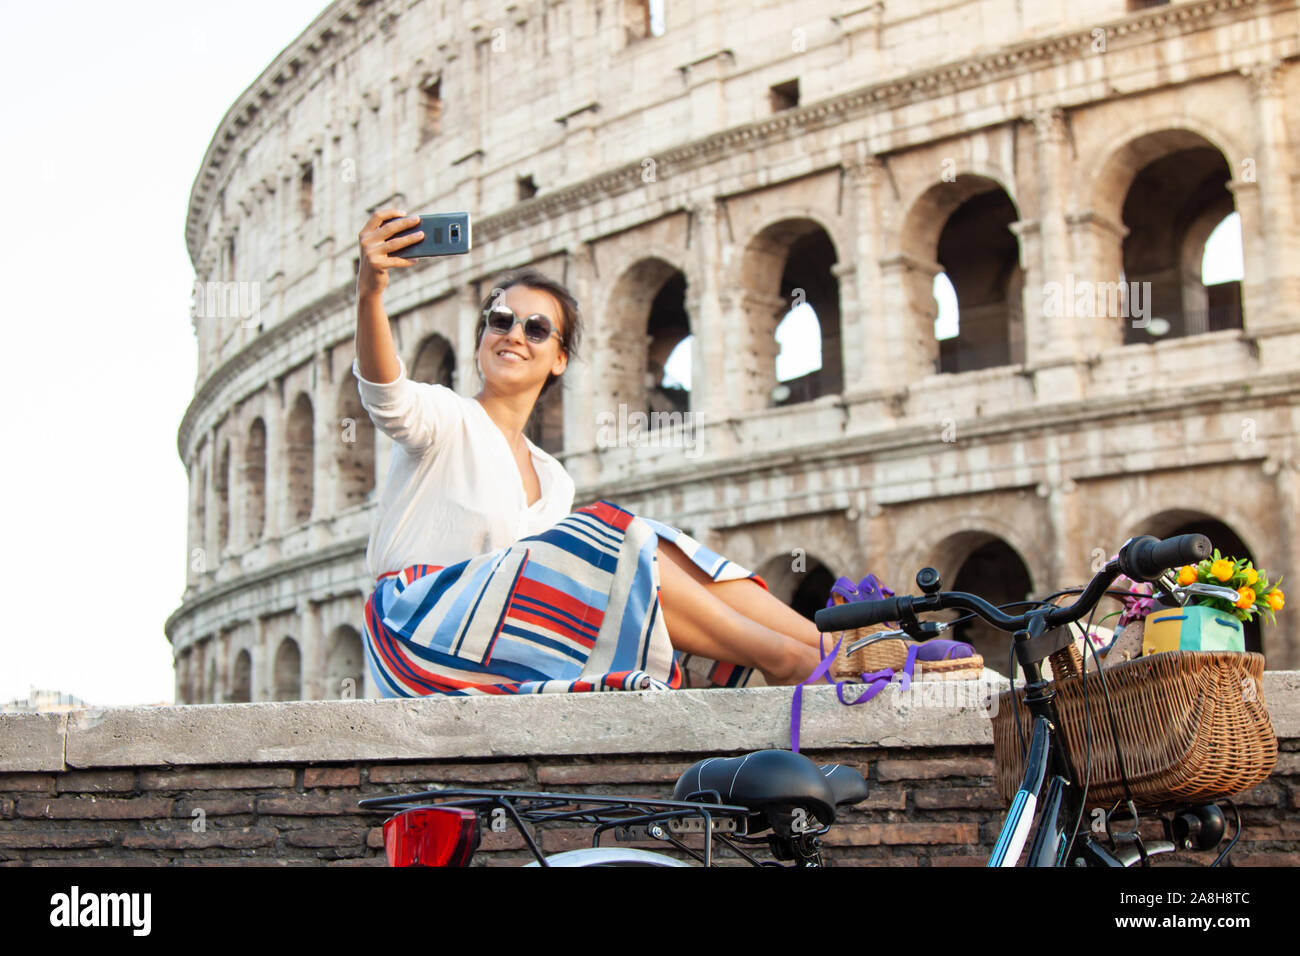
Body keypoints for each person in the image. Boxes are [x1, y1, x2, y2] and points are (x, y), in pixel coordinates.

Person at [354, 208, 828, 696]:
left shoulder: (554, 477)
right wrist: (370, 293)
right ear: (480, 343)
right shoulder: (442, 415)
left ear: (559, 358)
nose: (514, 334)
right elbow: (384, 393)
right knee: (608, 531)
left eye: (536, 329)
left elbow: (549, 591)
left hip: (504, 643)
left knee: (648, 542)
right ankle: (784, 658)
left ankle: (833, 642)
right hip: (415, 632)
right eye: (500, 321)